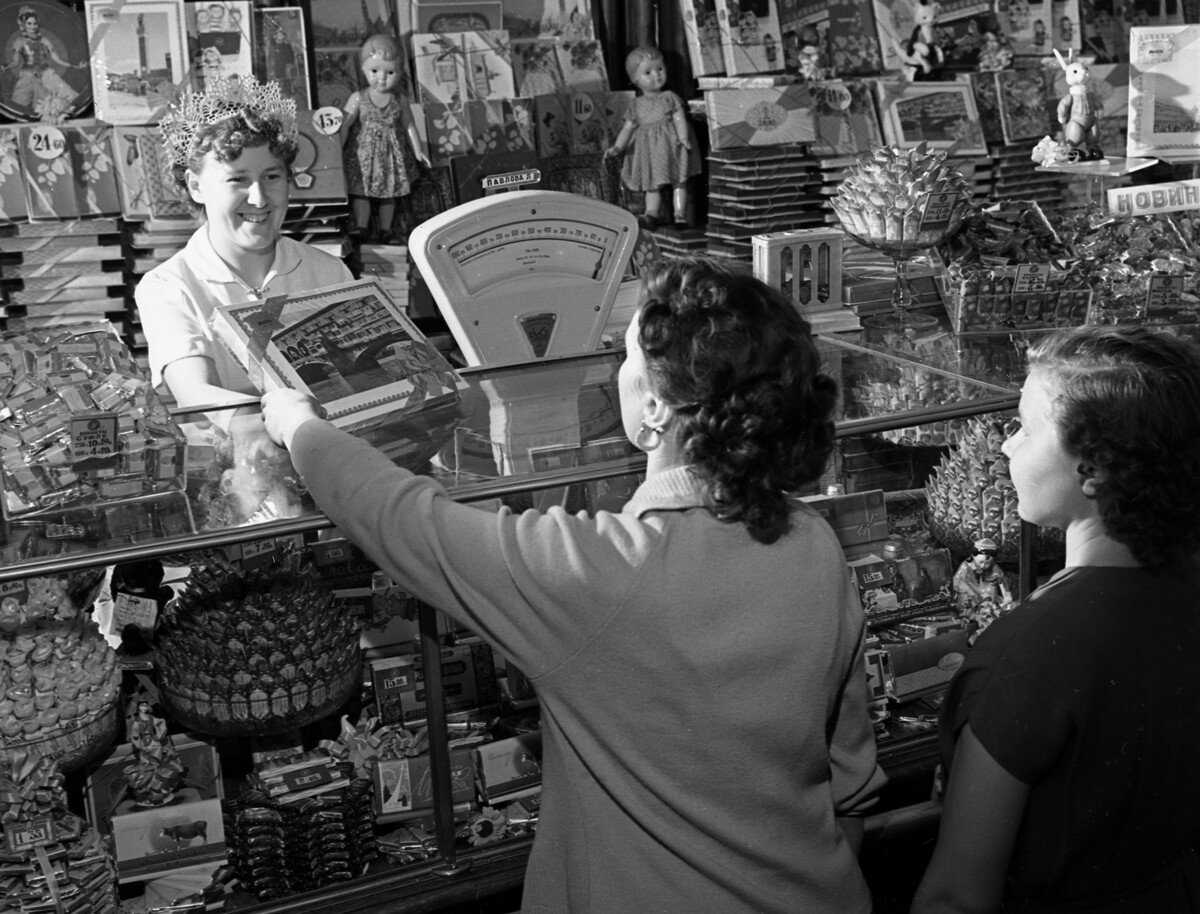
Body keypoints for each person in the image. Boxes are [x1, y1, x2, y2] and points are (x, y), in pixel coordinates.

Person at [261, 257, 885, 913]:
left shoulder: (598, 572)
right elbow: (850, 785)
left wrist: (300, 425)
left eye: (622, 355)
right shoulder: (814, 544)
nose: (614, 369)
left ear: (653, 408)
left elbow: (402, 519)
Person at [912, 325, 1200, 914]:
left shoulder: (1030, 650)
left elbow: (958, 897)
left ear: (1091, 469)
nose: (1006, 445)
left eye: (1024, 426)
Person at [136, 76, 354, 521]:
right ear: (196, 186)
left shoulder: (327, 271)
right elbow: (193, 389)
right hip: (228, 501)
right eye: (237, 179)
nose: (259, 197)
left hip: (333, 488)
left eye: (272, 176)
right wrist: (275, 418)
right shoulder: (168, 285)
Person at [341, 34, 430, 243]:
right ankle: (362, 226)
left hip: (390, 157)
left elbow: (409, 125)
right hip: (362, 157)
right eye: (374, 71)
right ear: (363, 69)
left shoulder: (400, 100)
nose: (381, 78)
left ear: (400, 73)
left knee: (388, 193)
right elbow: (344, 125)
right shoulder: (358, 99)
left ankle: (385, 229)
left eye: (390, 72)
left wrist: (418, 150)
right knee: (361, 192)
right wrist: (338, 147)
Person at [604, 46, 701, 230]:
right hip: (649, 152)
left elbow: (679, 118)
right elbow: (628, 128)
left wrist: (683, 137)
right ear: (635, 79)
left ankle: (680, 213)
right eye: (647, 72)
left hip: (673, 147)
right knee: (652, 184)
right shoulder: (636, 104)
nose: (656, 75)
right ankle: (651, 214)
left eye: (660, 69)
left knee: (679, 180)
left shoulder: (669, 97)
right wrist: (617, 147)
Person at [5, 5, 83, 121]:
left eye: (35, 23)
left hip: (45, 73)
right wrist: (4, 67)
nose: (32, 26)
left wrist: (73, 66)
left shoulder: (44, 40)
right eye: (29, 23)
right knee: (20, 104)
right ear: (24, 25)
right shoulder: (19, 41)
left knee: (67, 97)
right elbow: (15, 62)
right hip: (27, 75)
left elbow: (57, 59)